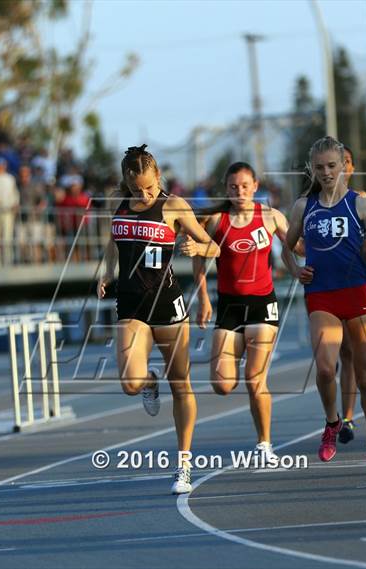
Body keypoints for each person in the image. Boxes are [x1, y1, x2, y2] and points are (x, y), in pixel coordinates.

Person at [97, 144, 220, 494]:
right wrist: (107, 273)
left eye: (150, 187)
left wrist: (197, 249)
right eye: (137, 190)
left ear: (158, 176)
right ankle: (149, 380)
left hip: (166, 303)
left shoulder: (174, 206)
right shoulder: (118, 206)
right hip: (131, 303)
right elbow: (112, 242)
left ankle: (183, 464)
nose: (145, 194)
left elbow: (214, 246)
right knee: (130, 382)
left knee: (181, 383)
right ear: (126, 183)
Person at [285, 136, 366, 474]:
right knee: (326, 369)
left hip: (357, 294)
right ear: (312, 170)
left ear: (344, 166)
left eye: (332, 166)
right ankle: (332, 421)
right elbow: (287, 246)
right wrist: (296, 271)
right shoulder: (304, 206)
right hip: (322, 295)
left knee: (364, 377)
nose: (327, 172)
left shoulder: (361, 206)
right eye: (320, 168)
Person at [192, 162, 299, 464]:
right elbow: (199, 260)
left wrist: (297, 270)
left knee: (255, 380)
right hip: (228, 306)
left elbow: (293, 246)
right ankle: (239, 358)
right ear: (225, 189)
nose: (239, 191)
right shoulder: (215, 221)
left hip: (262, 305)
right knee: (222, 385)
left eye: (244, 186)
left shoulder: (270, 216)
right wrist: (203, 299)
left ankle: (264, 444)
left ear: (255, 186)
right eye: (233, 187)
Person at [337, 146, 366, 444]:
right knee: (339, 353)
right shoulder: (312, 203)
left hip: (354, 283)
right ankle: (342, 416)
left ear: (352, 167)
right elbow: (300, 245)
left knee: (353, 353)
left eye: (346, 162)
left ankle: (348, 416)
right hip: (324, 288)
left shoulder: (361, 201)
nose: (341, 167)